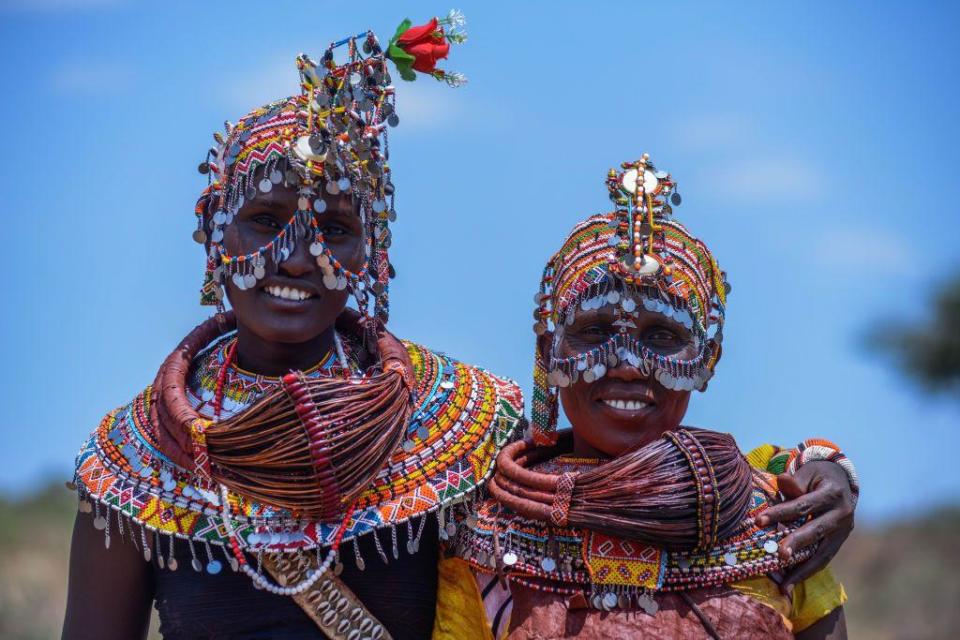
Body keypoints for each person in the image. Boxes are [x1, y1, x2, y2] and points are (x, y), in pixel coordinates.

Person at [61, 14, 526, 640]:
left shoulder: (465, 426)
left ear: (371, 254)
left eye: (333, 229)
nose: (297, 257)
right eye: (264, 219)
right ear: (213, 231)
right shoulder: (135, 456)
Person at [443, 155, 856, 639]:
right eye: (595, 331)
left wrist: (823, 462)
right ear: (547, 352)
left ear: (708, 359)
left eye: (661, 336)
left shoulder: (773, 522)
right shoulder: (486, 533)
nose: (627, 363)